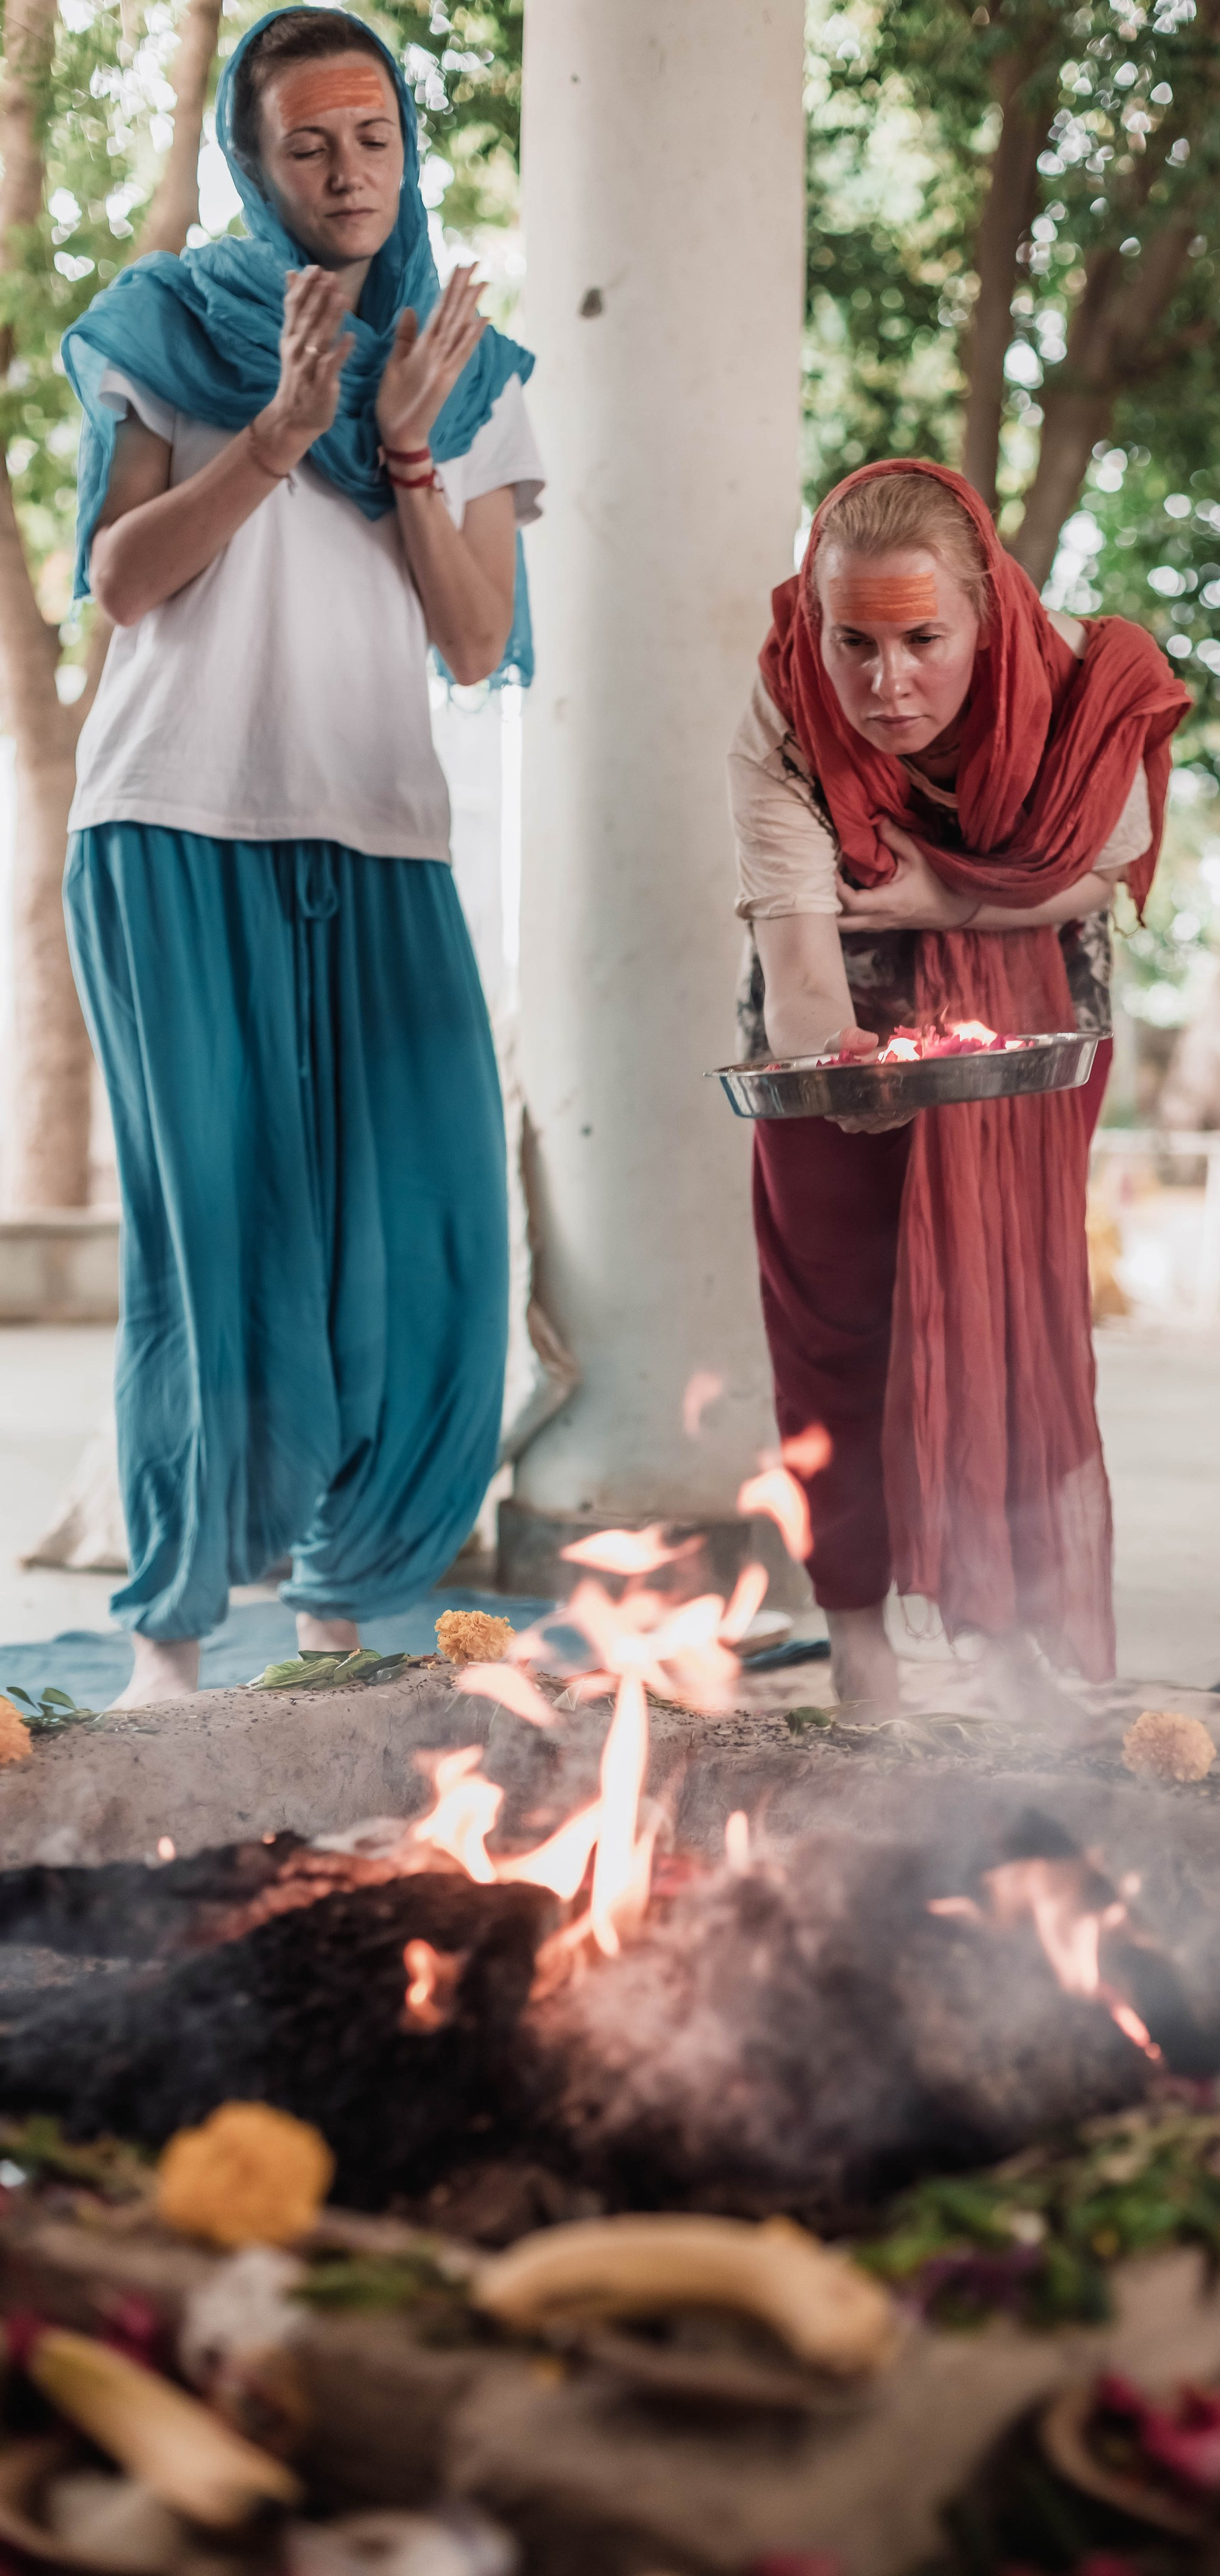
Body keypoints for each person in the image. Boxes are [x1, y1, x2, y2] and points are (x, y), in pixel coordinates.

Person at [58, 5, 544, 1707]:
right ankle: (173, 1645)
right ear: (249, 165)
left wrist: (402, 442)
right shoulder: (168, 325)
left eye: (373, 139)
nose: (347, 174)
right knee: (216, 1239)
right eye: (307, 146)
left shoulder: (473, 371)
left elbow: (474, 642)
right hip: (171, 827)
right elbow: (124, 584)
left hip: (380, 832)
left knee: (428, 1241)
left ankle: (350, 1611)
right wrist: (277, 427)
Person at [729, 461, 1187, 1715]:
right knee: (836, 1321)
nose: (885, 685)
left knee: (1002, 1295)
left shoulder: (1085, 692)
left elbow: (1102, 873)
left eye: (923, 641)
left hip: (1032, 997)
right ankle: (858, 1635)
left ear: (987, 619)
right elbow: (799, 959)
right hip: (842, 999)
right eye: (853, 642)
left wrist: (948, 898)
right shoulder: (782, 713)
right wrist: (847, 1079)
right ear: (812, 625)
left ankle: (1002, 1626)